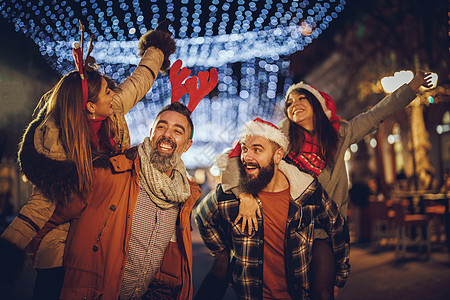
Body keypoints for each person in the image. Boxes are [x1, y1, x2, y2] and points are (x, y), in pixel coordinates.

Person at [215, 71, 433, 299]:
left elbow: (376, 114)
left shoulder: (341, 133)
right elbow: (239, 156)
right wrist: (244, 195)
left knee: (323, 292)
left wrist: (411, 87)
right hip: (292, 225)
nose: (294, 104)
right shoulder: (283, 134)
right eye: (289, 102)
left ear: (317, 104)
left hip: (324, 228)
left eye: (301, 99)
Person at [0, 23, 176, 298]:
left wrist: (156, 50)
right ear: (90, 106)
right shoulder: (58, 143)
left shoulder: (112, 111)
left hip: (100, 235)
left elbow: (138, 82)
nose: (114, 94)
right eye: (108, 91)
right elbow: (40, 205)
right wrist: (8, 250)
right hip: (61, 252)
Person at [33, 102, 202, 299]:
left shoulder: (183, 196)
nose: (167, 134)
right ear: (152, 131)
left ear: (187, 145)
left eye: (177, 130)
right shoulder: (112, 172)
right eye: (161, 126)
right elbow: (51, 216)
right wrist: (48, 274)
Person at [195, 118, 350, 300]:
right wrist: (224, 254)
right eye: (245, 149)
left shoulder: (306, 193)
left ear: (278, 156)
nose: (247, 157)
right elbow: (202, 218)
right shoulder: (230, 196)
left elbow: (337, 226)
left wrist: (339, 277)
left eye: (257, 150)